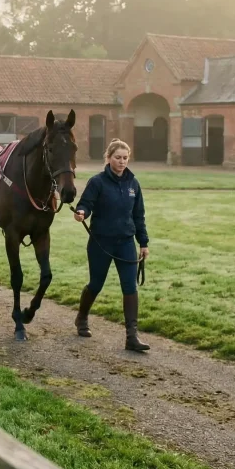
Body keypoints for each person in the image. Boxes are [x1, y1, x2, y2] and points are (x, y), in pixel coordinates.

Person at [72, 138, 150, 352]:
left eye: (125, 158)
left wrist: (143, 242)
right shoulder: (97, 182)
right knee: (96, 284)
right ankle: (81, 318)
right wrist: (81, 213)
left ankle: (132, 336)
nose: (122, 161)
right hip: (101, 242)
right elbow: (86, 203)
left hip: (125, 242)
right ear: (108, 158)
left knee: (130, 287)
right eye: (118, 158)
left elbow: (138, 215)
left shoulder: (133, 184)